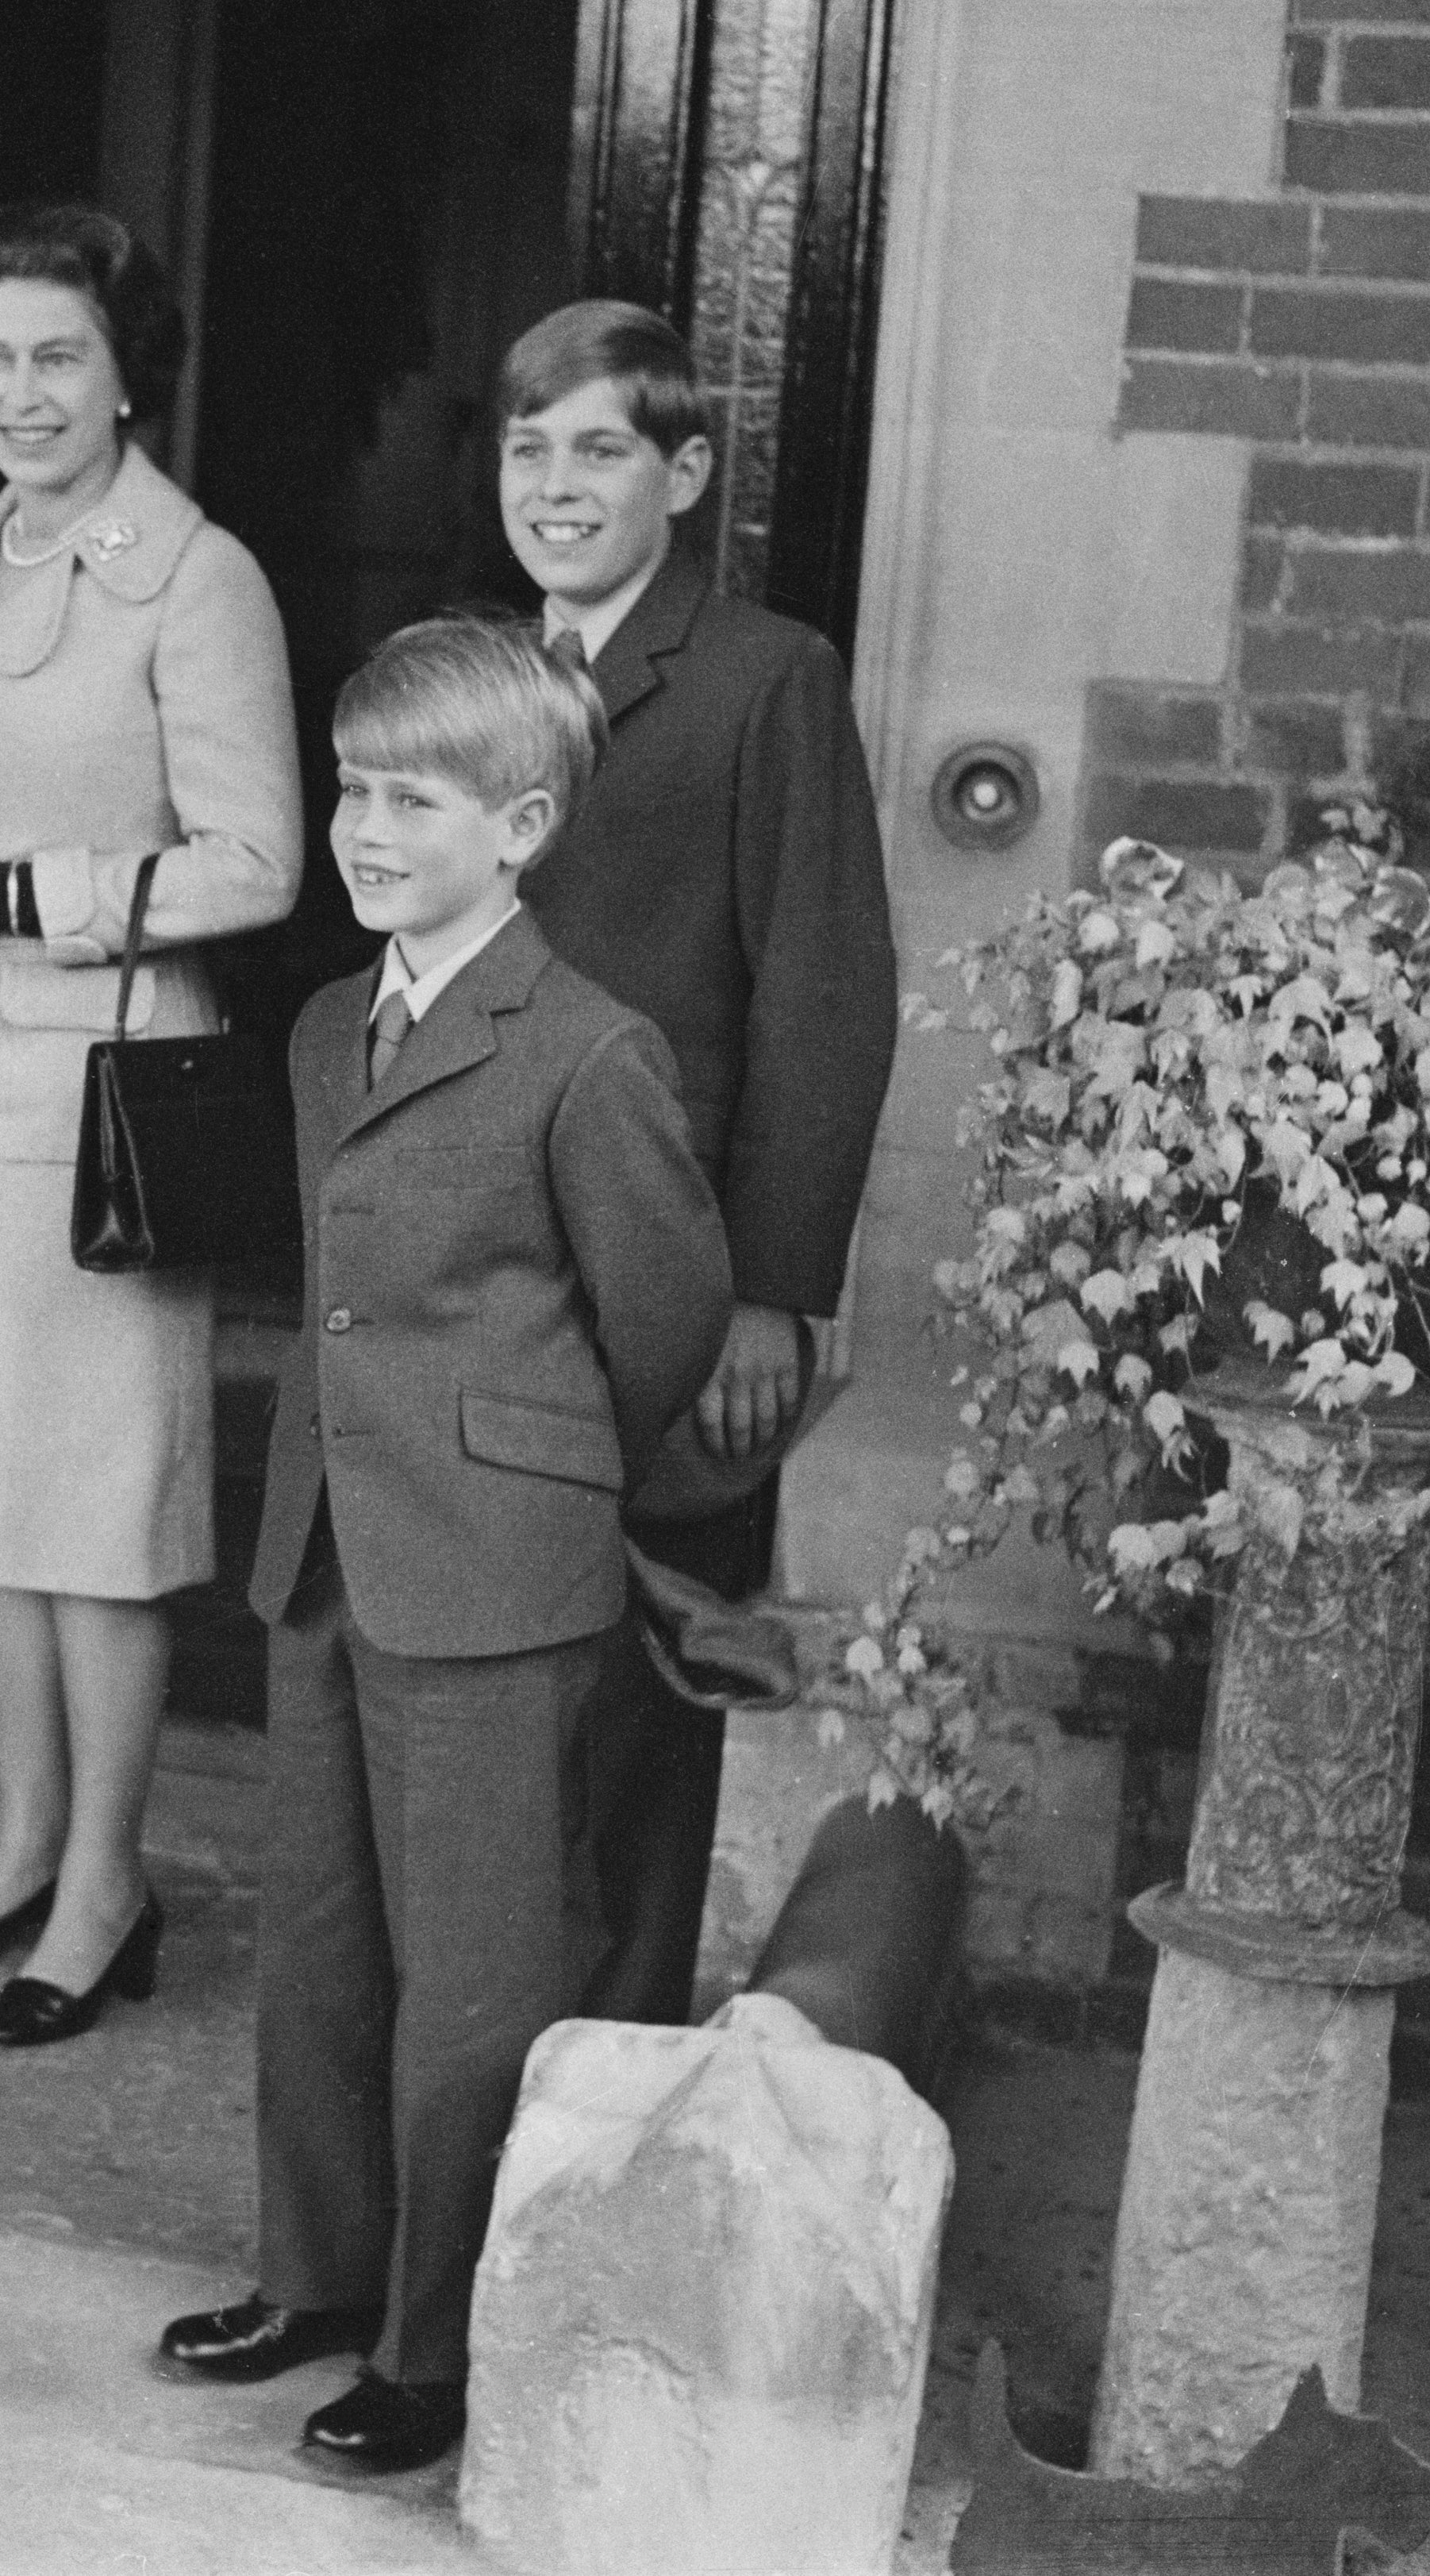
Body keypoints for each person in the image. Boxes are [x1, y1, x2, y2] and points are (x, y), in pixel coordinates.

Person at [159, 617, 732, 2470]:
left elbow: (667, 1319)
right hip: (328, 1541)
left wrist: (537, 1476)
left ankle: (438, 2335)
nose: (362, 826)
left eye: (413, 797)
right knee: (319, 1940)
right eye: (349, 786)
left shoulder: (587, 1052)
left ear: (526, 823)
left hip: (490, 1567)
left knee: (475, 1977)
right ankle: (319, 2269)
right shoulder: (338, 1025)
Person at [0, 202, 299, 2045]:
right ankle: (22, 1841)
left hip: (102, 1087)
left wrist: (20, 898)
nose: (22, 395)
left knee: (95, 1506)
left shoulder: (195, 578)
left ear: (128, 376)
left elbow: (259, 863)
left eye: (59, 358)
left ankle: (110, 1879)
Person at [496, 300, 898, 2024]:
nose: (557, 486)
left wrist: (767, 1299)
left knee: (634, 1728)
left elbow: (823, 998)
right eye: (528, 449)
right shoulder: (479, 672)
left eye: (599, 450)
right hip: (487, 1281)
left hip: (668, 1296)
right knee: (494, 1723)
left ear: (686, 471)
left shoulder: (762, 676)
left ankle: (605, 2085)